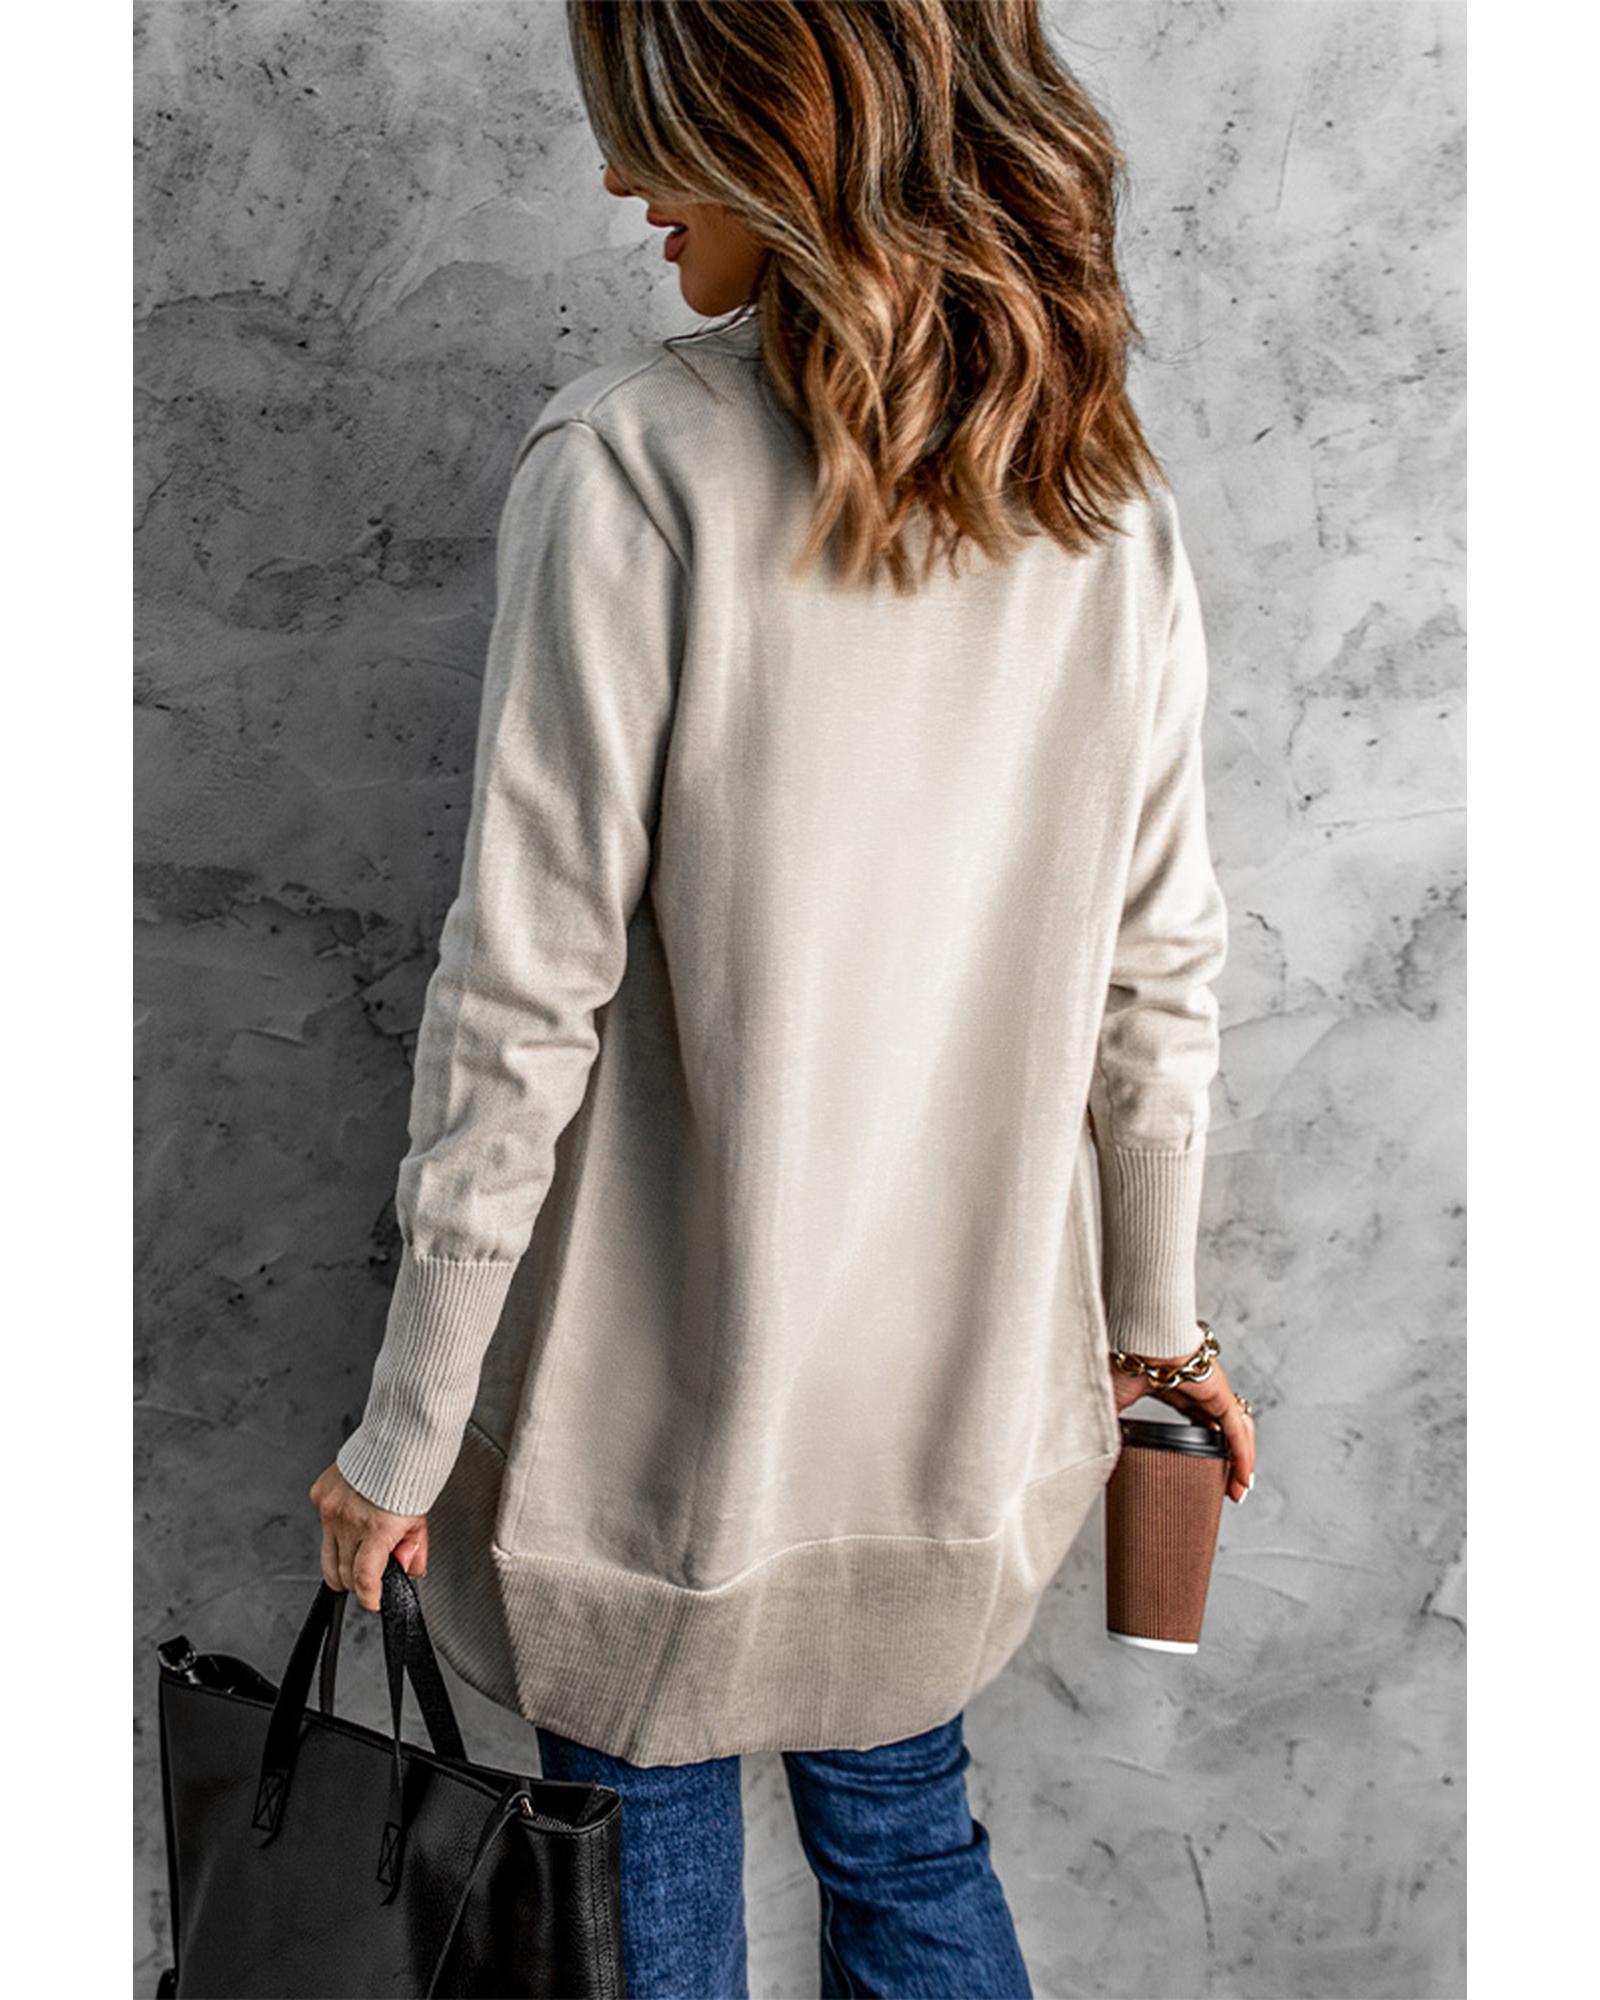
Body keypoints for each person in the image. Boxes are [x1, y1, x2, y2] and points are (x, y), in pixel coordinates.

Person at [308, 3, 1258, 1993]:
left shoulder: (629, 466)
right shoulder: (1104, 506)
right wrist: (1155, 1332)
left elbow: (520, 998)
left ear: (784, 128)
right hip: (955, 1435)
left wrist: (406, 1428)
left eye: (655, 129)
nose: (618, 183)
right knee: (907, 1839)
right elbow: (1157, 963)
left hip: (650, 1445)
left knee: (636, 1856)